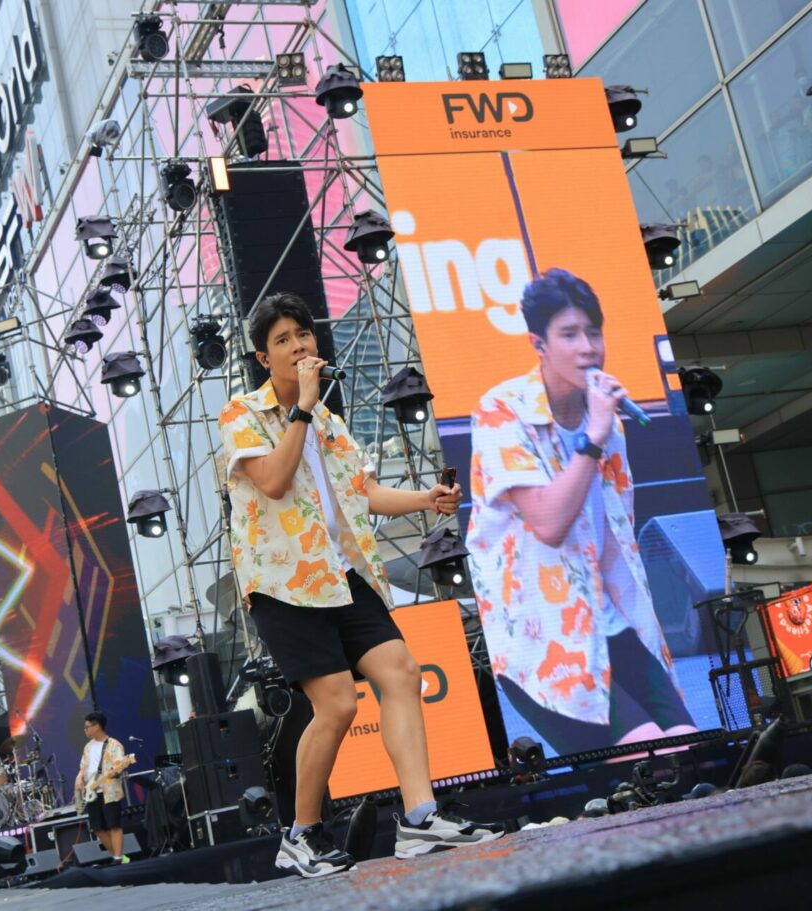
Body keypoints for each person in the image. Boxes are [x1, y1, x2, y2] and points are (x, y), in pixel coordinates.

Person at [218, 293, 502, 878]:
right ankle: (301, 834)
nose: (298, 346)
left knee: (401, 672)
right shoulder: (242, 414)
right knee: (338, 705)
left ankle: (419, 818)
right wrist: (302, 408)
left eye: (303, 334)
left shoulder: (329, 422)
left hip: (343, 572)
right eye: (282, 340)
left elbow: (364, 493)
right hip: (285, 583)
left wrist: (427, 499)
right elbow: (273, 481)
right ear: (263, 358)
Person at [466, 269, 696, 755]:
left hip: (609, 619)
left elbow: (617, 534)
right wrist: (592, 437)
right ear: (539, 344)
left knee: (691, 747)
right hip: (543, 637)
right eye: (570, 335)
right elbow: (549, 523)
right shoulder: (503, 410)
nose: (588, 348)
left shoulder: (607, 424)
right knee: (650, 755)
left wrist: (599, 429)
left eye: (594, 333)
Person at [74, 712, 129, 864]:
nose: (85, 730)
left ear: (97, 726)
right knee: (97, 828)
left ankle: (117, 858)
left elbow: (118, 767)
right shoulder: (88, 747)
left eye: (87, 727)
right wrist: (79, 778)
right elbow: (83, 767)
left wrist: (114, 772)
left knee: (114, 825)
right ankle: (118, 857)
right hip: (91, 791)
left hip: (110, 792)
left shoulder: (114, 745)